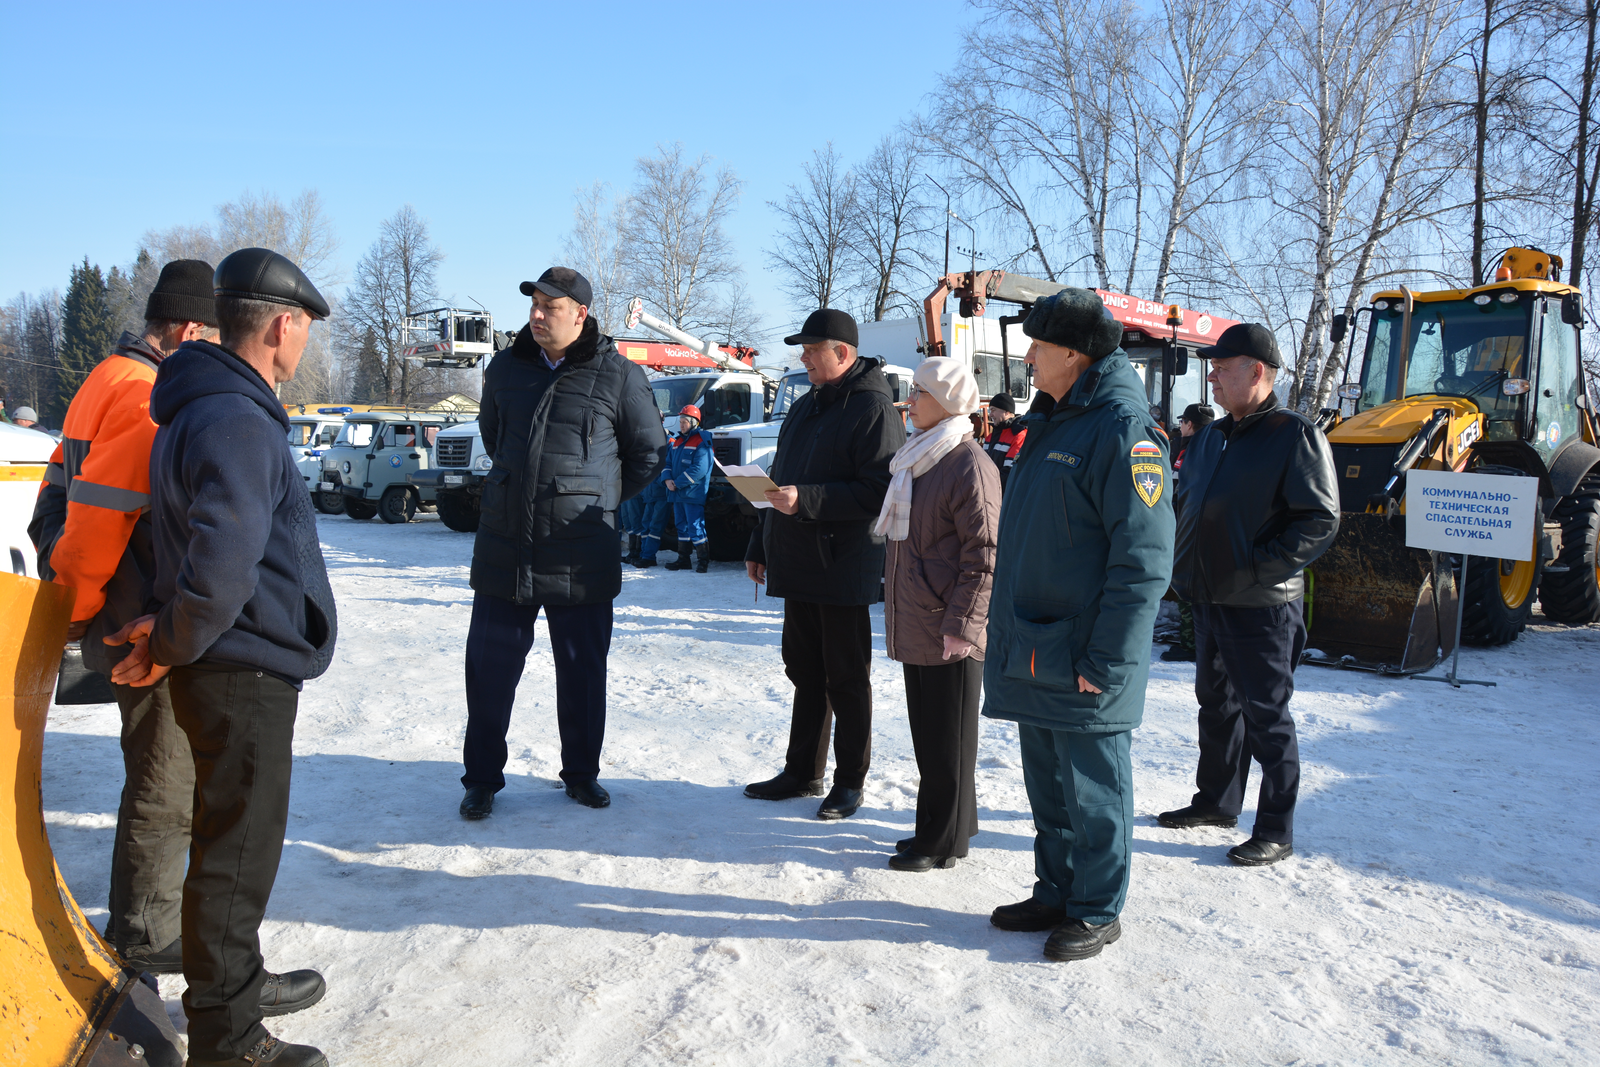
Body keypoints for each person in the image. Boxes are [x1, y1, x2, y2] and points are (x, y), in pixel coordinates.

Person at [107, 248, 338, 1067]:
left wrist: (168, 633)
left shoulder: (204, 406)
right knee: (235, 863)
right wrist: (170, 638)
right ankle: (229, 1043)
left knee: (223, 853)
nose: (303, 339)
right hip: (242, 670)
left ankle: (228, 1011)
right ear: (282, 326)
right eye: (303, 326)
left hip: (225, 663)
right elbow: (221, 566)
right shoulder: (237, 418)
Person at [26, 259, 217, 976]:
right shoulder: (144, 395)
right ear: (190, 330)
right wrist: (72, 613)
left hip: (114, 607)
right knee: (163, 772)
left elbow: (57, 487)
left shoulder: (105, 377)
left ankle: (147, 916)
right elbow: (99, 522)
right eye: (214, 338)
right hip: (133, 619)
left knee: (155, 765)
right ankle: (143, 930)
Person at [983, 289, 1174, 963]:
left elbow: (1144, 561)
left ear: (1072, 353)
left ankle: (1095, 907)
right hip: (1038, 644)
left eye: (1038, 346)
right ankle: (1057, 890)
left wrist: (1109, 659)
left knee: (1094, 791)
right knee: (1049, 786)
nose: (1029, 358)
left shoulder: (1122, 429)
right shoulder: (1055, 420)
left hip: (1085, 653)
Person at [460, 267, 666, 818]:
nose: (537, 315)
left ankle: (581, 774)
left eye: (550, 307)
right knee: (488, 673)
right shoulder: (505, 368)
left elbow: (649, 455)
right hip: (506, 546)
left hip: (580, 550)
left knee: (582, 674)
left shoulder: (620, 376)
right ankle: (480, 779)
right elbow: (494, 437)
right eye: (534, 304)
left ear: (580, 314)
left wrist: (593, 496)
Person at [1158, 323, 1339, 867]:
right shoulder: (1210, 437)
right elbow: (1190, 506)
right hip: (1208, 598)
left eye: (1221, 367)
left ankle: (1276, 830)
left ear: (1256, 371)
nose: (1211, 377)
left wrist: (1256, 569)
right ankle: (1216, 802)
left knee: (1267, 718)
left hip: (1262, 605)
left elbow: (1319, 520)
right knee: (1216, 706)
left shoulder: (1293, 435)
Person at [744, 308, 901, 820]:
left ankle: (849, 781)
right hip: (797, 557)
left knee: (846, 678)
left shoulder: (873, 408)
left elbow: (880, 491)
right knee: (804, 670)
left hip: (842, 564)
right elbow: (780, 479)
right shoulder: (807, 404)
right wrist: (760, 543)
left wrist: (807, 500)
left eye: (813, 350)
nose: (804, 358)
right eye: (804, 350)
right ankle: (802, 771)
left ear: (844, 353)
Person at [878, 357, 999, 871]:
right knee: (931, 737)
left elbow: (985, 554)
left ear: (947, 402)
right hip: (921, 615)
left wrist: (963, 626)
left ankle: (941, 841)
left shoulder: (967, 463)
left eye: (919, 393)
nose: (909, 402)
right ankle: (942, 824)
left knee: (950, 741)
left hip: (950, 624)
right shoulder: (921, 456)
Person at [1161, 402, 1217, 663]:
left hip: (1189, 530)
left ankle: (1191, 644)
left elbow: (1180, 492)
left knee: (1188, 587)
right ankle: (1197, 641)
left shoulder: (1192, 450)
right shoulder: (1213, 447)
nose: (1180, 426)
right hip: (1196, 527)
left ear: (1190, 424)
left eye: (1182, 421)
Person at [663, 403, 713, 572]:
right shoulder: (677, 442)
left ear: (694, 423)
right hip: (677, 493)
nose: (681, 425)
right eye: (680, 422)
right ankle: (683, 559)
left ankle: (703, 560)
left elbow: (700, 469)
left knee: (695, 526)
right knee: (681, 526)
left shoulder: (702, 441)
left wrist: (676, 483)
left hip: (692, 493)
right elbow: (668, 463)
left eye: (684, 422)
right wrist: (667, 480)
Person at [981, 390, 1026, 491]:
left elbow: (1010, 472)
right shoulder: (990, 437)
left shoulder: (1018, 435)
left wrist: (987, 488)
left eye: (993, 410)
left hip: (1002, 493)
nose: (990, 415)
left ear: (1007, 412)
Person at [632, 459, 670, 569]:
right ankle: (644, 555)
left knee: (655, 527)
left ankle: (648, 557)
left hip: (661, 495)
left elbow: (667, 469)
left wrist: (659, 482)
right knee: (646, 526)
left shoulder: (667, 449)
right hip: (649, 494)